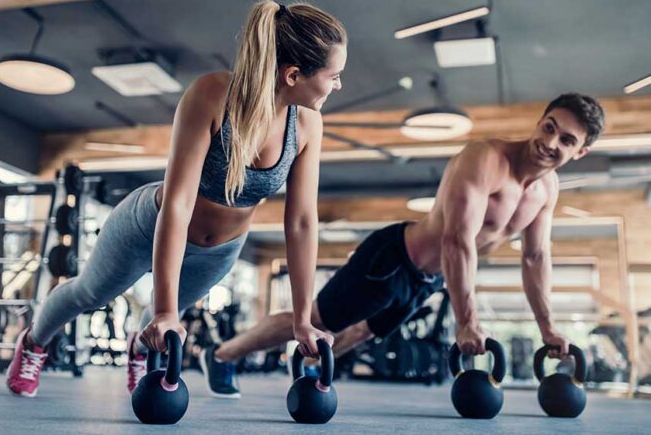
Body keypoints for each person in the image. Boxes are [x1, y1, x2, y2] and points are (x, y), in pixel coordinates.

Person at [6, 0, 347, 398]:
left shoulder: (307, 124)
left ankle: (139, 347)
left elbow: (302, 222)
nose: (339, 84)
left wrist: (302, 319)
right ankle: (33, 343)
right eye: (334, 75)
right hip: (148, 224)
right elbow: (178, 204)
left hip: (218, 251)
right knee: (90, 294)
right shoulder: (213, 95)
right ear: (293, 74)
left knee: (162, 318)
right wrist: (165, 309)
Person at [201, 93, 605, 397]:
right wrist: (467, 320)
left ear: (581, 151)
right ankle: (222, 355)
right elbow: (457, 239)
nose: (550, 142)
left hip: (427, 280)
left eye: (566, 140)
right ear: (540, 121)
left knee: (362, 333)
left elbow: (535, 257)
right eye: (549, 126)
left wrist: (548, 328)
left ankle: (309, 365)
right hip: (394, 257)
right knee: (316, 321)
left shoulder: (546, 191)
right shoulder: (486, 158)